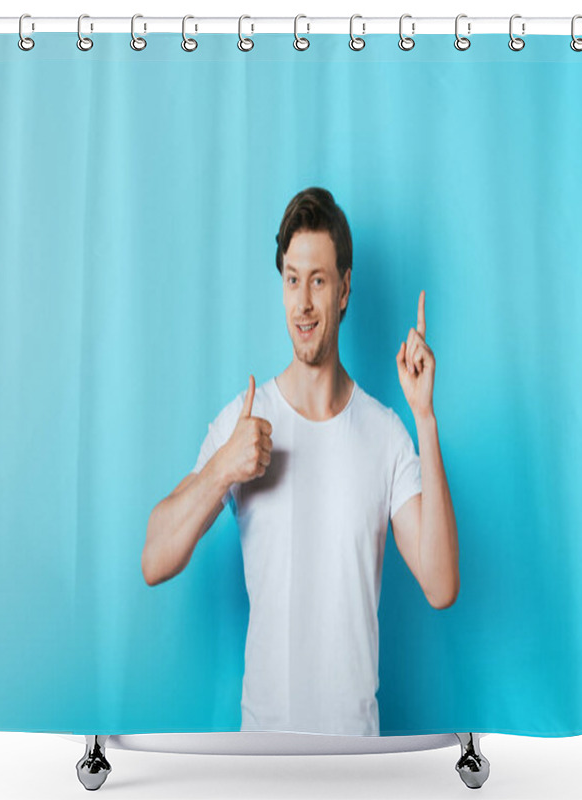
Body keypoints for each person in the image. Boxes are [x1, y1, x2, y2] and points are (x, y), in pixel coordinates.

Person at [142, 187, 459, 736]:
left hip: (356, 758)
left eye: (318, 280)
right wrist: (223, 469)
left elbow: (440, 584)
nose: (303, 303)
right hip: (261, 757)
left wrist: (424, 418)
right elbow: (154, 560)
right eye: (292, 280)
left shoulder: (386, 433)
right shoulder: (244, 423)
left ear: (344, 289)